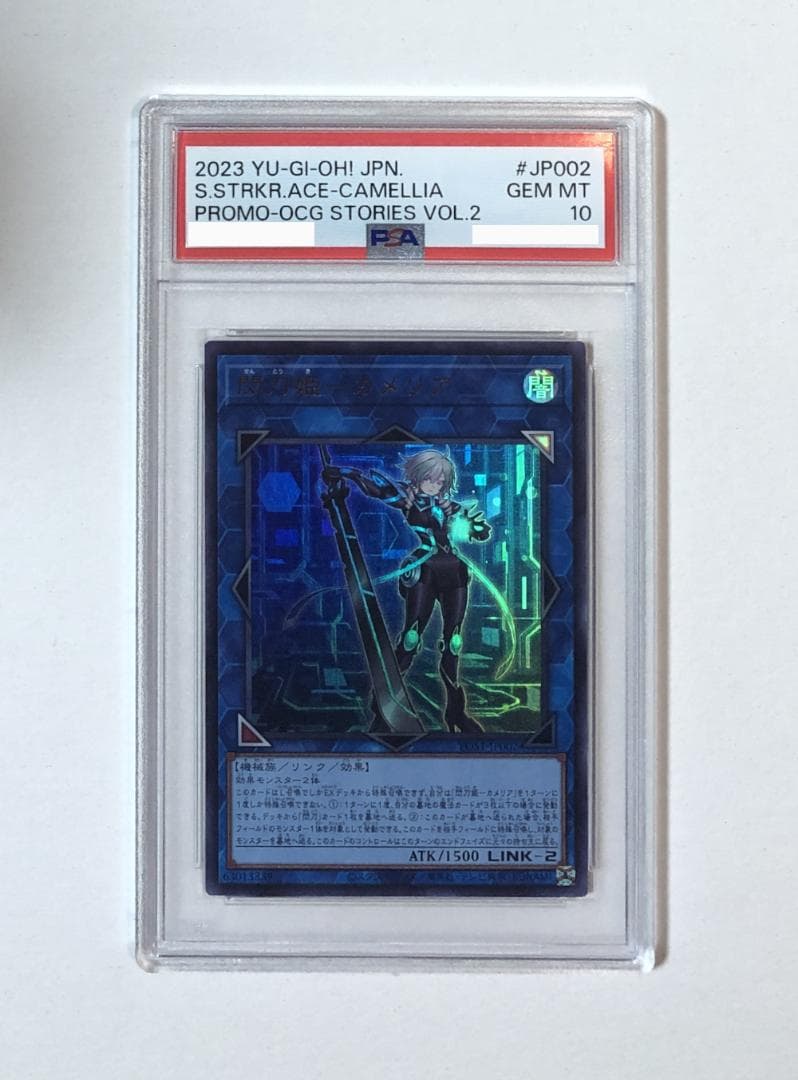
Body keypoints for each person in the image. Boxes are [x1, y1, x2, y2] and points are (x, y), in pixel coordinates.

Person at [322, 449, 491, 733]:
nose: (435, 485)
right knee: (411, 638)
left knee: (454, 642)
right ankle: (384, 709)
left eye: (440, 481)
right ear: (418, 477)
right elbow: (377, 490)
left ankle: (455, 713)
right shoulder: (409, 501)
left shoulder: (449, 507)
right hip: (425, 570)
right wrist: (347, 473)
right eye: (430, 479)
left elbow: (480, 532)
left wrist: (477, 528)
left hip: (455, 572)